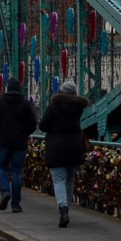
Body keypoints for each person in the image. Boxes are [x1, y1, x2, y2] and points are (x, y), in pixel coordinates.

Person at [39, 85, 86, 227]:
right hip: (74, 146)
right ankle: (67, 208)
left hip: (56, 147)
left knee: (58, 179)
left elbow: (43, 126)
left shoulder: (54, 106)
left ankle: (63, 208)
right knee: (69, 179)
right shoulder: (79, 108)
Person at [0, 86, 37, 213]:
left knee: (1, 168)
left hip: (2, 142)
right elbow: (33, 123)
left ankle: (5, 191)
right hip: (19, 143)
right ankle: (15, 204)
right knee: (17, 172)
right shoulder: (25, 104)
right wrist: (24, 133)